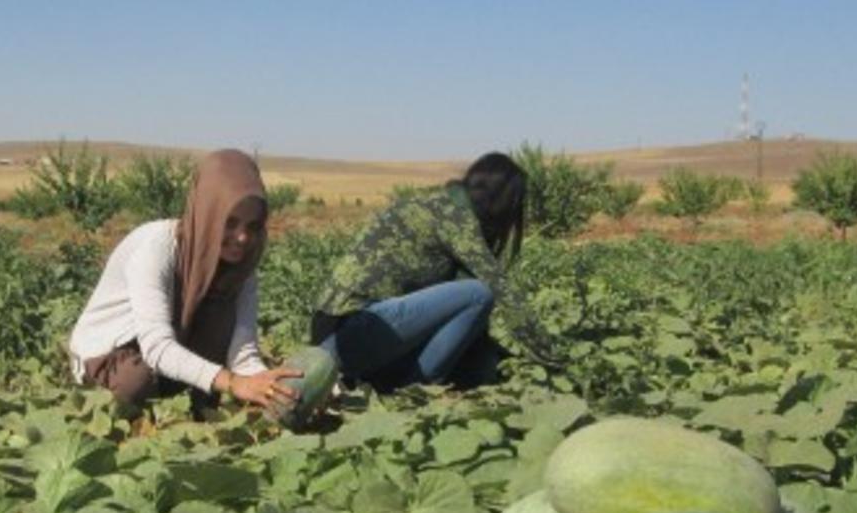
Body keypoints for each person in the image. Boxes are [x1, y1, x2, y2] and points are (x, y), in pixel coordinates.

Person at [68, 149, 300, 416]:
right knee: (135, 383)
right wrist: (233, 383)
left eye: (252, 226)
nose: (242, 238)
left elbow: (243, 353)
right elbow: (156, 346)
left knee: (218, 329)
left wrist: (274, 391)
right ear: (208, 214)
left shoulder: (242, 268)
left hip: (169, 352)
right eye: (230, 223)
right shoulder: (156, 247)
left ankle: (190, 403)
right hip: (111, 353)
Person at [310, 152, 557, 392]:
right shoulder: (454, 217)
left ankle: (386, 383)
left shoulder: (437, 202)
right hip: (347, 335)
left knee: (482, 361)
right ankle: (414, 390)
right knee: (479, 293)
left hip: (347, 335)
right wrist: (552, 360)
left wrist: (505, 360)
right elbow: (501, 290)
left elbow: (466, 321)